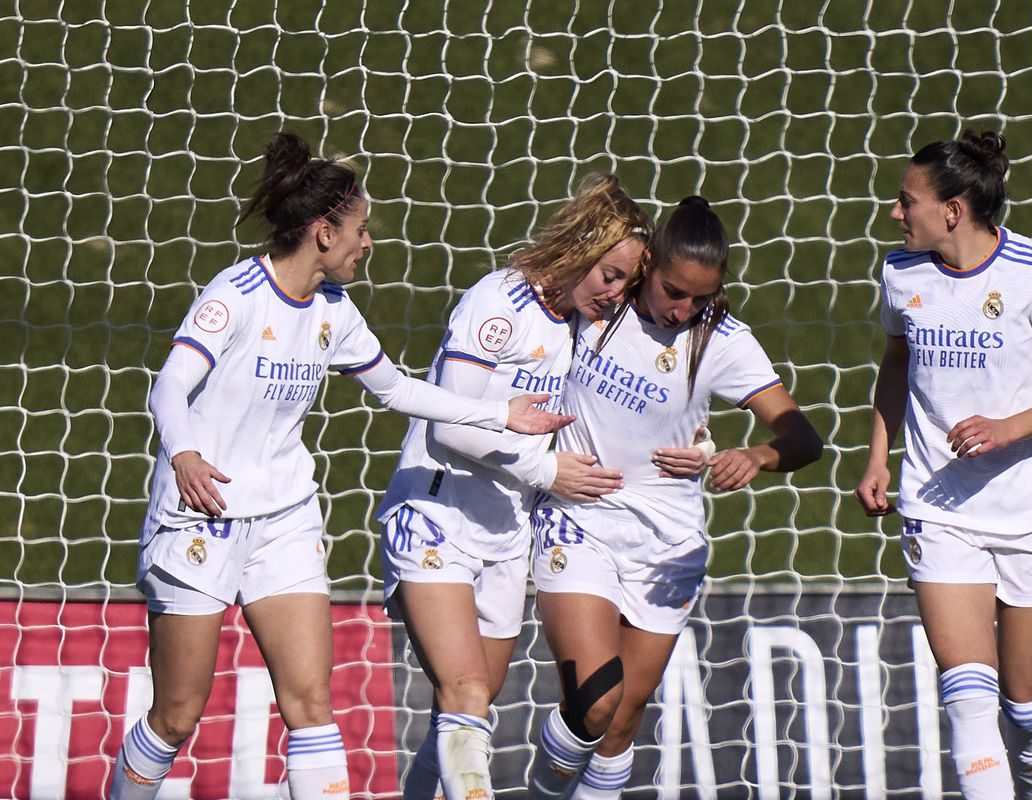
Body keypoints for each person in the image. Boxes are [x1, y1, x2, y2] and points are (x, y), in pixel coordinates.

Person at [109, 131, 570, 800]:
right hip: (202, 512)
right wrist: (183, 454)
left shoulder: (336, 312)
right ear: (323, 232)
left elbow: (399, 390)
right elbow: (170, 384)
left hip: (285, 518)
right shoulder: (235, 295)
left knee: (312, 706)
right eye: (360, 229)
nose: (368, 242)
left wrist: (501, 415)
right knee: (178, 713)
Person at [525, 196, 824, 799]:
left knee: (619, 727)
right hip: (580, 520)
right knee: (596, 703)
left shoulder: (721, 340)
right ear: (647, 266)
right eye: (672, 290)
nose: (684, 309)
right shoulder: (598, 302)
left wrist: (755, 455)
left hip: (667, 546)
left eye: (700, 298)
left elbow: (802, 435)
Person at [376, 174, 652, 800]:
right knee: (467, 691)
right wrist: (545, 470)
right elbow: (447, 425)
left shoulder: (582, 321)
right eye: (609, 273)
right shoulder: (498, 303)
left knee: (469, 707)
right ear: (580, 246)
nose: (615, 292)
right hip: (434, 513)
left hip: (505, 531)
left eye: (626, 281)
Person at [855, 130, 1032, 799]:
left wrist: (1006, 428)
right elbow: (898, 362)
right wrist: (879, 456)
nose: (895, 214)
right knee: (966, 697)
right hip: (939, 507)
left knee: (1025, 704)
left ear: (953, 211)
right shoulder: (900, 274)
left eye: (908, 202)